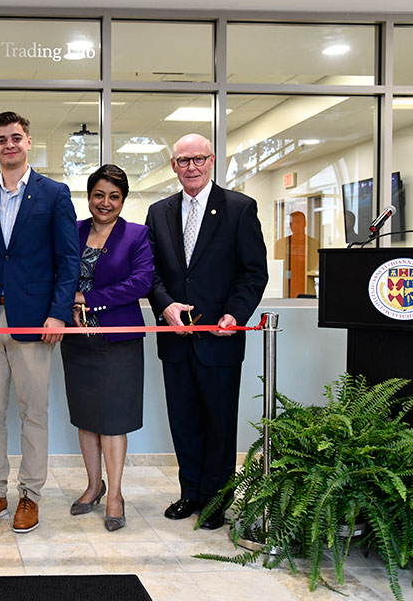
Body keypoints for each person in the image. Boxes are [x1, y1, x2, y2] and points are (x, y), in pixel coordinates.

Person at [0, 111, 78, 533]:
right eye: (1, 139)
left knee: (34, 413)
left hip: (36, 321)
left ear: (29, 142)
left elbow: (69, 261)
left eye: (16, 137)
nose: (9, 145)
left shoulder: (55, 194)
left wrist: (59, 313)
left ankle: (30, 494)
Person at [145, 133, 268, 530]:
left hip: (221, 338)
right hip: (176, 339)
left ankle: (218, 500)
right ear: (173, 166)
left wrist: (235, 314)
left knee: (219, 423)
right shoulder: (158, 211)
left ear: (212, 160)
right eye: (183, 161)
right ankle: (190, 492)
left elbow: (253, 271)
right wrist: (164, 306)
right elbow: (152, 273)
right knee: (183, 420)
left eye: (198, 159)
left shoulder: (239, 208)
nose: (191, 167)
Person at [61, 164, 153, 532]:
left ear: (123, 200)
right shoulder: (74, 231)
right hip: (78, 340)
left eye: (114, 196)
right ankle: (93, 486)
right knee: (86, 417)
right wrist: (67, 302)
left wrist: (89, 298)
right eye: (99, 194)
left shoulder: (136, 234)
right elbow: (59, 272)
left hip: (118, 341)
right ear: (89, 197)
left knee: (113, 421)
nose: (105, 202)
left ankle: (115, 493)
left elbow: (142, 281)